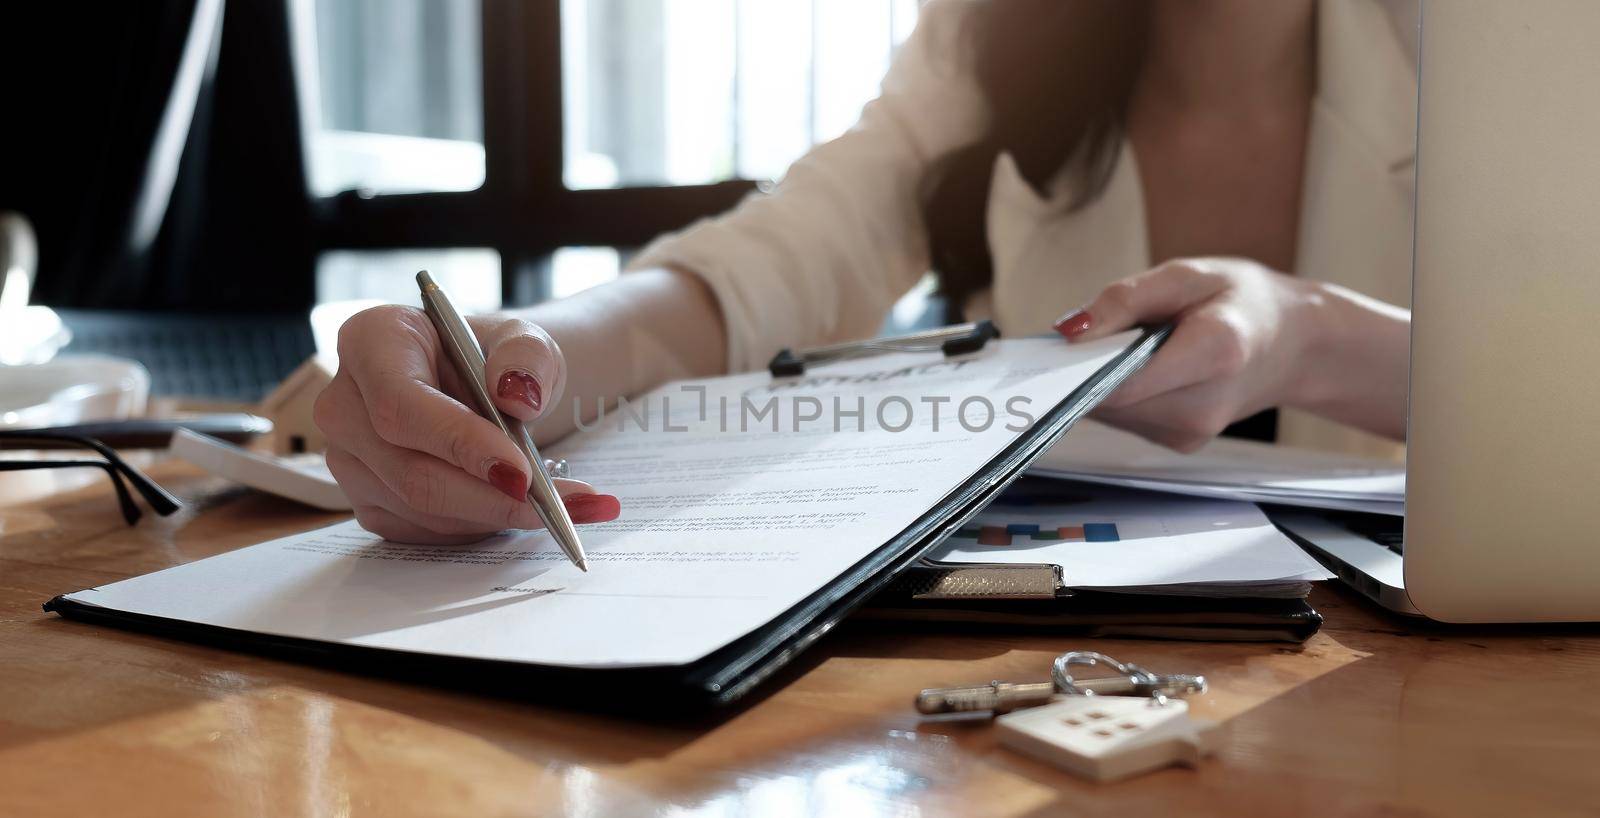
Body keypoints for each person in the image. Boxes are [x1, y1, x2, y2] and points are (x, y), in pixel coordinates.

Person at [314, 0, 1418, 544]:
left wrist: (1316, 335)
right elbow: (780, 261)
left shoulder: (1516, 47)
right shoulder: (995, 38)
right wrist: (522, 354)